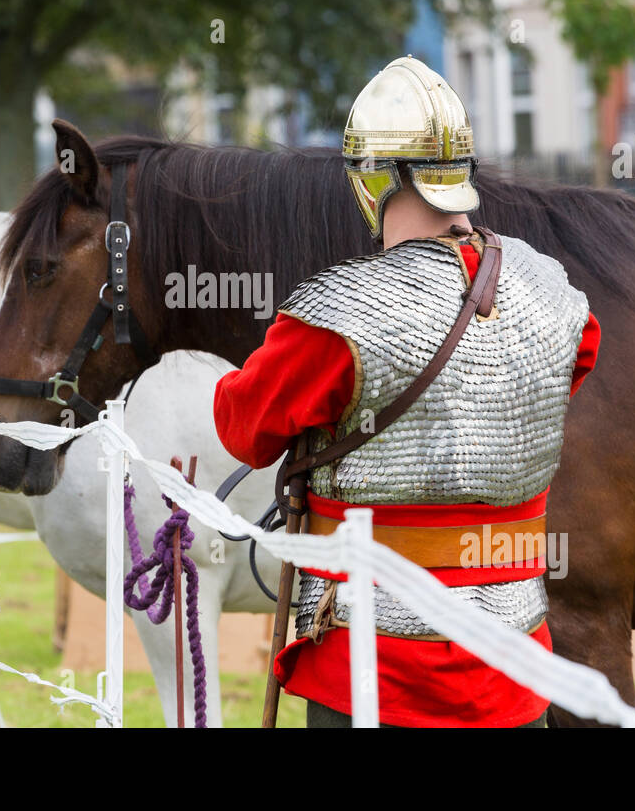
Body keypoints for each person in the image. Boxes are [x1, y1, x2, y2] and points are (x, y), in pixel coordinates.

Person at [213, 56, 600, 728]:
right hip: (515, 668)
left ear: (371, 180)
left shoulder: (338, 320)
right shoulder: (558, 298)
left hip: (372, 673)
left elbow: (241, 426)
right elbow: (569, 371)